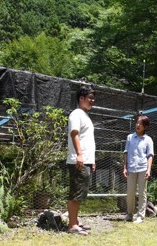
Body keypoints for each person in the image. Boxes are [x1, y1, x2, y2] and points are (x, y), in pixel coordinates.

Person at [66, 85, 96, 235]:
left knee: (80, 193)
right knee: (76, 194)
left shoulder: (85, 115)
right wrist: (79, 155)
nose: (92, 100)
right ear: (81, 98)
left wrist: (92, 160)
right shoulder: (76, 113)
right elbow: (75, 134)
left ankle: (75, 222)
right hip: (78, 160)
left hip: (86, 160)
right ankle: (72, 226)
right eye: (89, 98)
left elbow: (87, 139)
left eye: (93, 98)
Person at [123, 115, 154, 223]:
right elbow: (125, 153)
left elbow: (150, 155)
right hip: (131, 168)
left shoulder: (148, 140)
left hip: (143, 168)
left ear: (145, 126)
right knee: (130, 192)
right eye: (137, 123)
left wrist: (148, 170)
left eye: (140, 124)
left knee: (142, 192)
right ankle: (129, 214)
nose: (137, 125)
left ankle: (140, 216)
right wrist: (124, 168)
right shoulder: (129, 137)